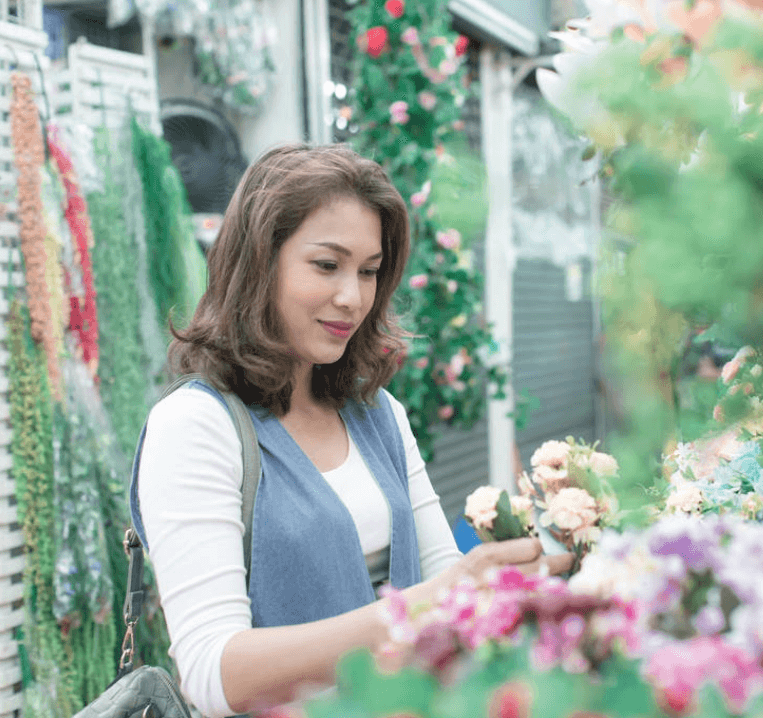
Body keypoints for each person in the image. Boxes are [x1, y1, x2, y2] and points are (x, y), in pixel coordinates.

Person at [129, 144, 573, 718]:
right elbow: (217, 675)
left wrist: (531, 578)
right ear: (259, 262)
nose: (353, 298)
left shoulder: (377, 414)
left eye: (369, 271)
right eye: (326, 265)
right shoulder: (196, 426)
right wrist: (429, 602)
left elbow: (446, 584)